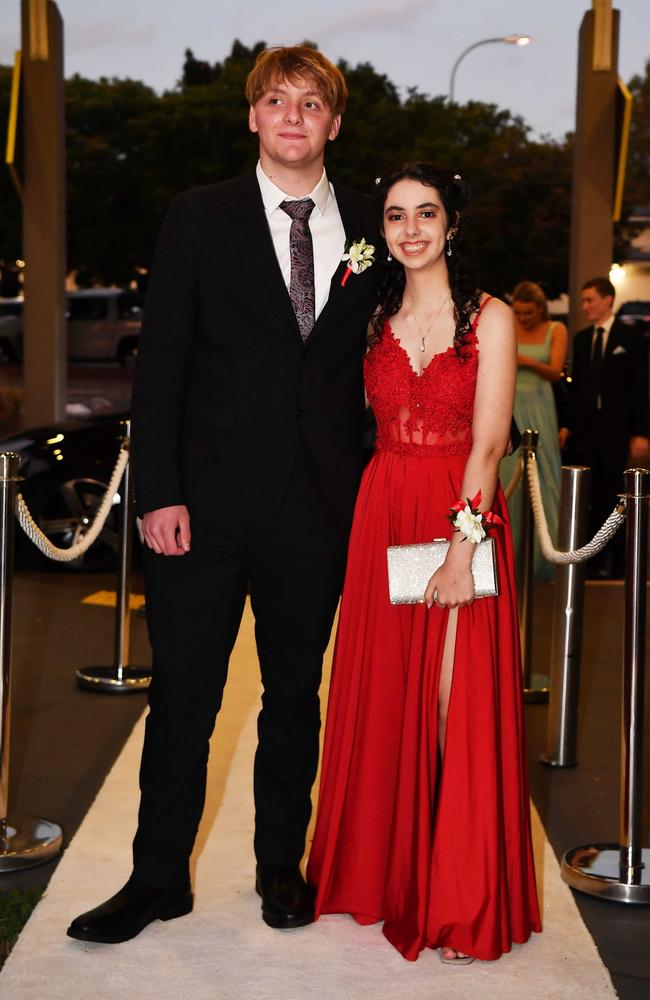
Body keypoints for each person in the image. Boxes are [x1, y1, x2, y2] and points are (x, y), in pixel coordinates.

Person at [67, 45, 380, 944]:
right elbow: (160, 364)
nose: (292, 115)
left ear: (333, 123)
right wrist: (158, 491)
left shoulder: (370, 224)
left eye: (311, 103)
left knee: (294, 696)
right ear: (252, 117)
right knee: (186, 698)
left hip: (318, 508)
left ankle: (281, 864)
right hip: (198, 509)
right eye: (276, 100)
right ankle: (156, 878)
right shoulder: (196, 217)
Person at [307, 163, 541, 964]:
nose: (411, 229)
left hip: (457, 511)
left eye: (427, 214)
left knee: (454, 704)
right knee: (387, 697)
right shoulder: (369, 316)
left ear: (452, 225)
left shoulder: (491, 317)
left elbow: (489, 443)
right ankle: (383, 876)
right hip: (384, 511)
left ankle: (458, 900)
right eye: (397, 216)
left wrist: (458, 547)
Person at [560, 277, 649, 578]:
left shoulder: (631, 337)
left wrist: (641, 432)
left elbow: (640, 387)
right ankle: (594, 560)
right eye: (583, 301)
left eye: (590, 300)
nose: (585, 306)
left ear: (607, 300)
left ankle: (619, 561)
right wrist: (568, 426)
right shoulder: (583, 339)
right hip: (587, 430)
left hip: (617, 428)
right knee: (591, 494)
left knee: (616, 491)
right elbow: (578, 389)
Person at [500, 281, 568, 581]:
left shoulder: (557, 330)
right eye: (519, 312)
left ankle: (547, 557)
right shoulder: (506, 324)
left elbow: (556, 371)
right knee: (507, 478)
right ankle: (506, 558)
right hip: (510, 402)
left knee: (546, 480)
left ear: (540, 309)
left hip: (541, 406)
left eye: (528, 313)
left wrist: (524, 360)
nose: (523, 318)